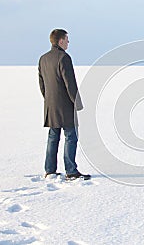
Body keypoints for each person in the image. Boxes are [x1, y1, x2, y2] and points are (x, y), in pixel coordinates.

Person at [38, 29, 90, 180]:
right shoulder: (64, 58)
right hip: (65, 105)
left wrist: (48, 99)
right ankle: (71, 171)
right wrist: (77, 103)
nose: (68, 42)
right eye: (67, 39)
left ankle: (50, 170)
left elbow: (42, 84)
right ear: (60, 41)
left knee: (53, 137)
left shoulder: (43, 59)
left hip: (51, 105)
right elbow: (70, 84)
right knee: (71, 136)